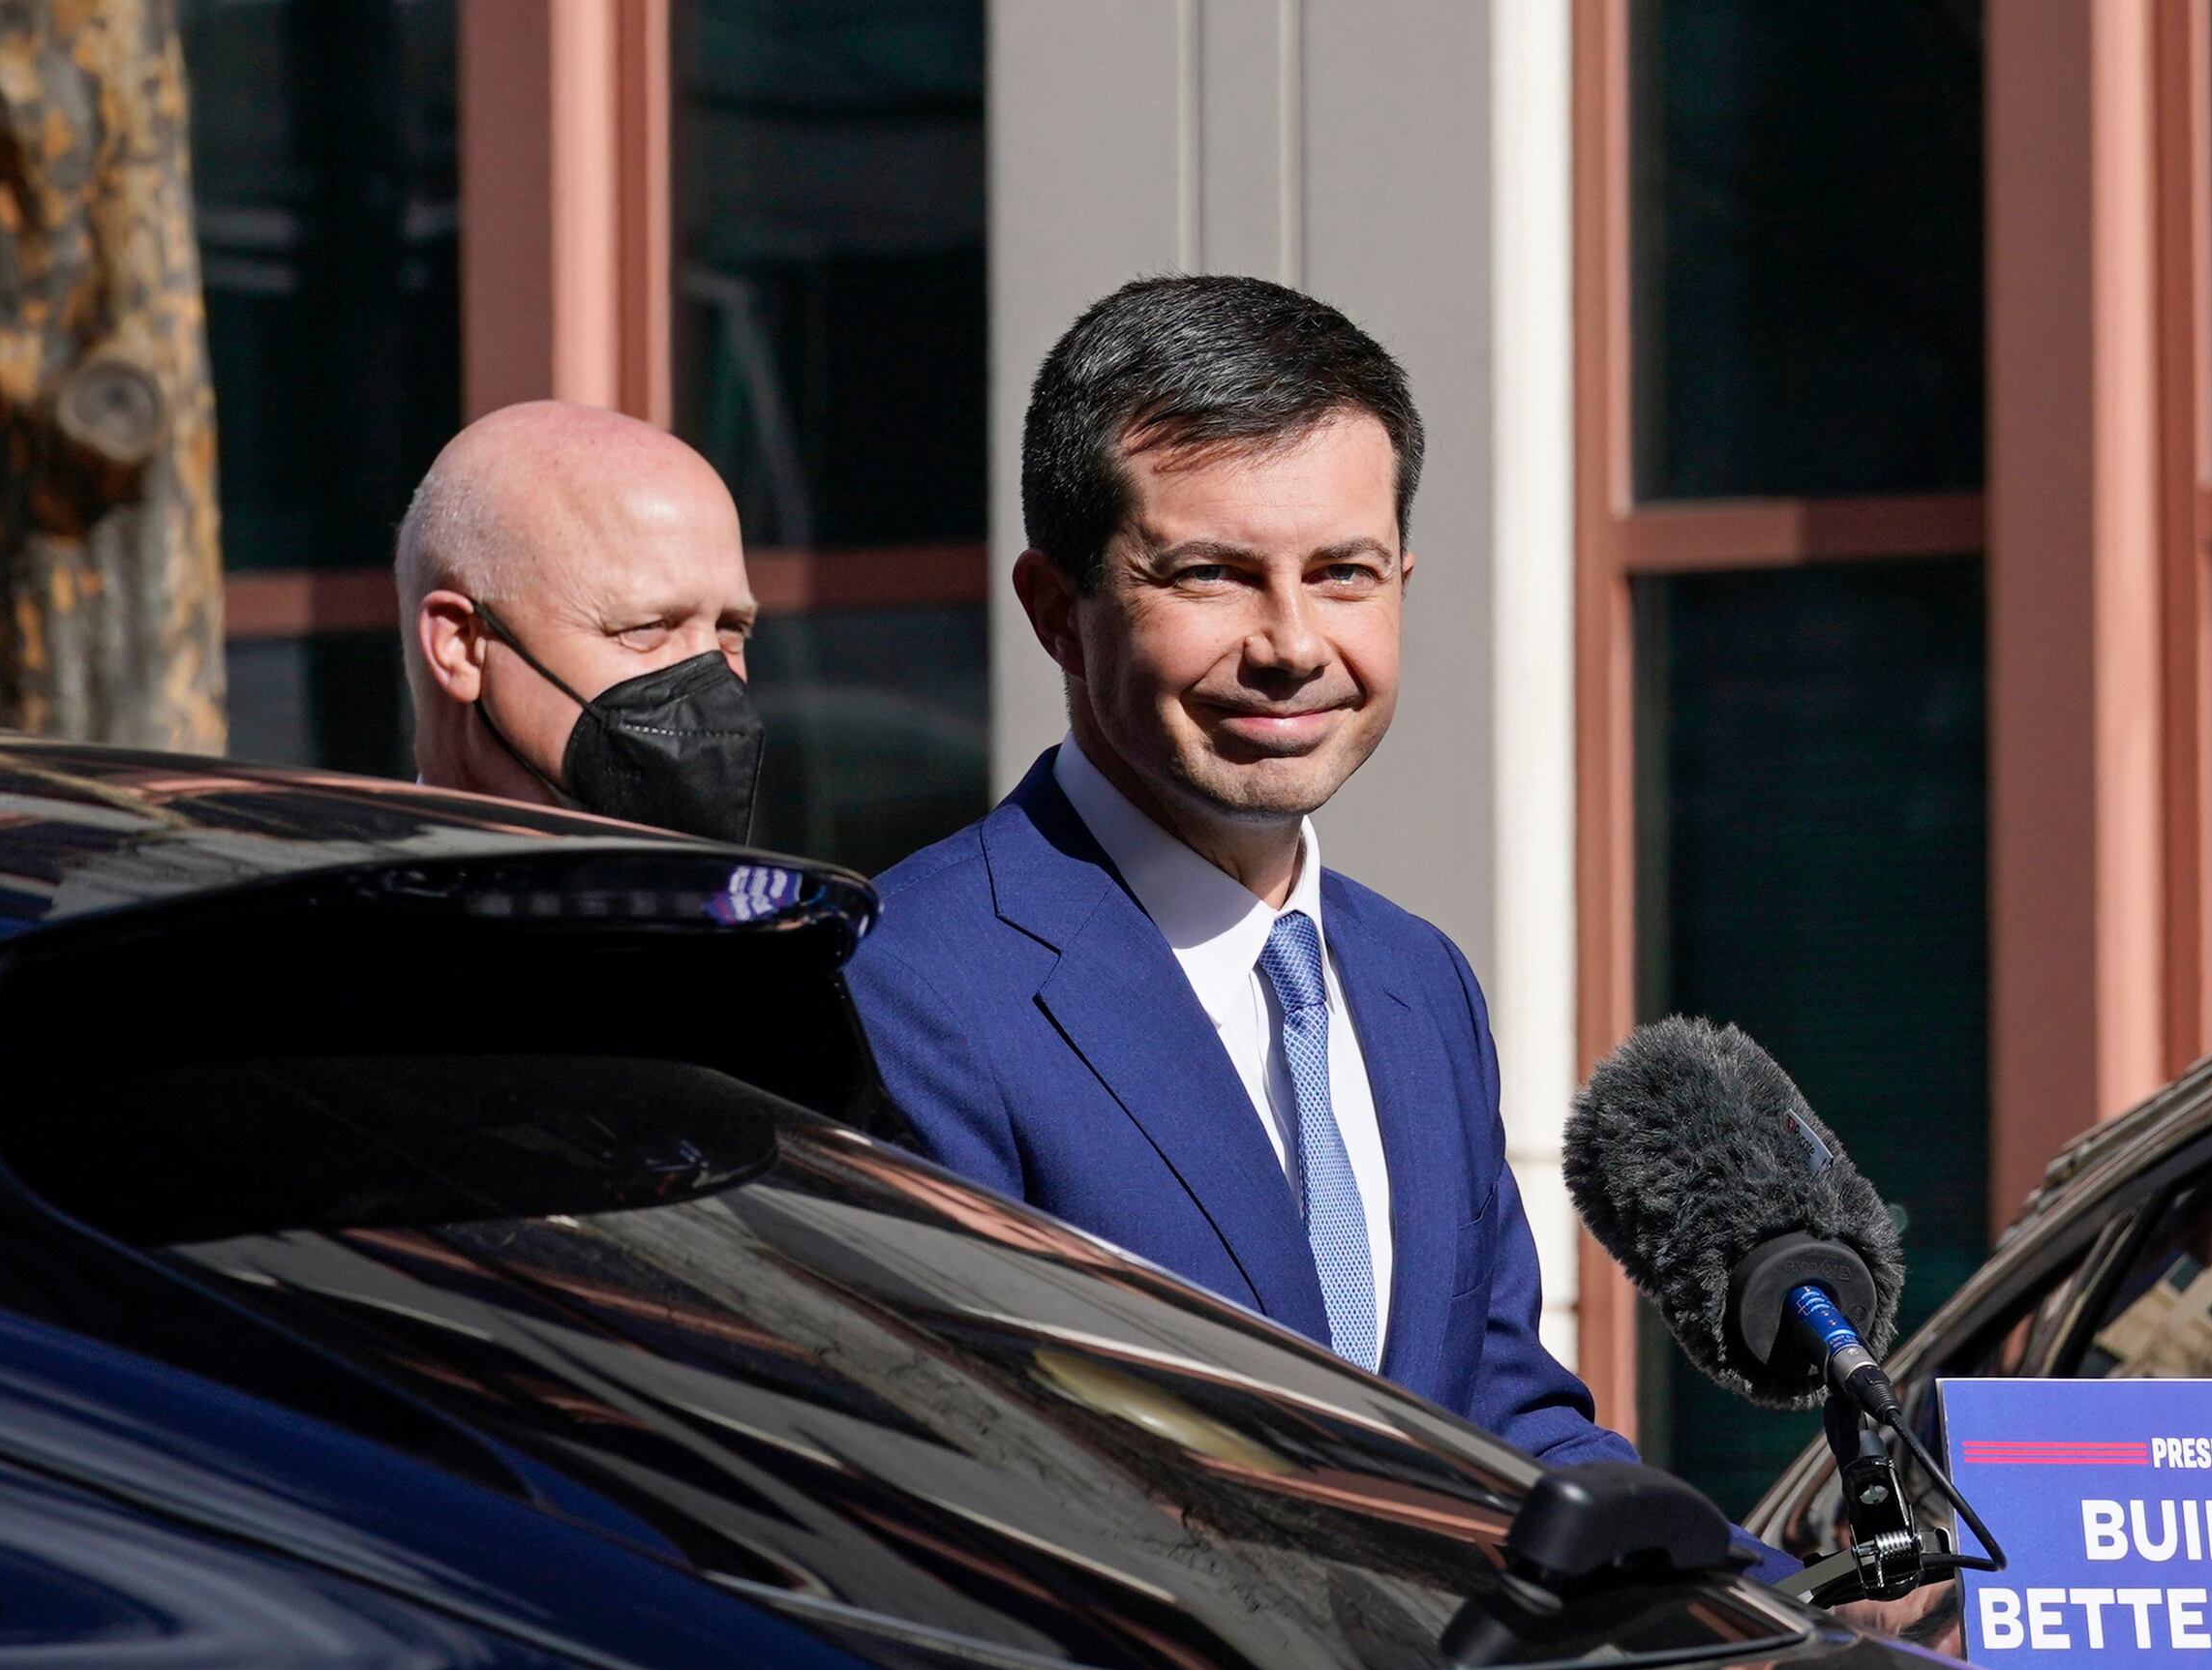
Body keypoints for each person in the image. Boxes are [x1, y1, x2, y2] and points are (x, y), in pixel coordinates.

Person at [847, 276, 1621, 1465]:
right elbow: (962, 1471)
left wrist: (1792, 1623)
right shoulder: (911, 986)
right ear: (1058, 610)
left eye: (1343, 574)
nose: (1294, 645)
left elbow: (1506, 1427)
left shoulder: (1418, 985)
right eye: (1210, 574)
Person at [396, 401, 765, 840]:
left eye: (730, 629)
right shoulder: (332, 906)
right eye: (646, 628)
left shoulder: (793, 906)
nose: (712, 677)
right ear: (461, 644)